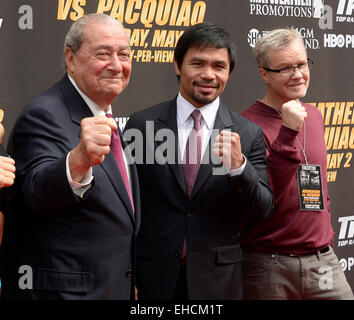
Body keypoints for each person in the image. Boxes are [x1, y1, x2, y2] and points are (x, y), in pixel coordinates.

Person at [124, 23, 273, 300]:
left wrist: (239, 168)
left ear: (229, 72)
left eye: (219, 66)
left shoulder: (247, 133)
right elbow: (127, 206)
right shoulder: (142, 124)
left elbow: (262, 212)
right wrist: (127, 275)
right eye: (198, 63)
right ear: (178, 65)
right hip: (153, 279)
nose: (208, 74)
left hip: (217, 281)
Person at [1, 13, 140, 300]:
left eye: (124, 55)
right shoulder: (44, 113)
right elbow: (33, 193)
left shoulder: (102, 113)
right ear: (71, 58)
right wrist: (77, 160)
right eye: (103, 54)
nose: (116, 65)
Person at [241, 27, 353, 300]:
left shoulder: (313, 115)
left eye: (302, 64)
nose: (298, 74)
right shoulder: (246, 126)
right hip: (270, 264)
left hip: (322, 260)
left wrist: (323, 229)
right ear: (264, 73)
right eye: (285, 68)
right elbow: (264, 198)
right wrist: (287, 131)